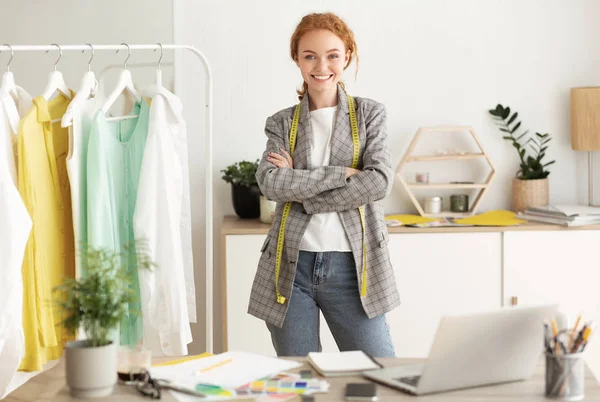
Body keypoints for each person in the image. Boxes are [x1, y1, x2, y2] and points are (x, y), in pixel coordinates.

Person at [247, 12, 400, 357]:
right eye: (310, 56)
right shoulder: (281, 122)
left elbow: (378, 182)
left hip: (353, 268)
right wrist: (340, 173)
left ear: (347, 56)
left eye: (332, 55)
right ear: (297, 60)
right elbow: (271, 183)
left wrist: (302, 192)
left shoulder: (369, 114)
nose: (322, 66)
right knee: (300, 382)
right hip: (291, 269)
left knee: (378, 374)